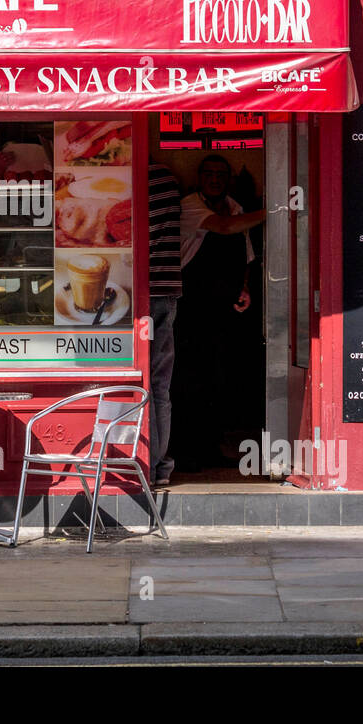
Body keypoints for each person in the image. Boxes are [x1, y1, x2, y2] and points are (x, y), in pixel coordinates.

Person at [174, 154, 266, 468]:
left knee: (220, 379)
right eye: (209, 173)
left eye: (220, 174)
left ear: (227, 179)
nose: (215, 179)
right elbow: (225, 228)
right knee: (189, 380)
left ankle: (211, 448)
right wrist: (273, 211)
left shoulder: (237, 207)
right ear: (200, 177)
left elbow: (246, 255)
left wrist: (244, 287)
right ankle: (187, 451)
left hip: (225, 310)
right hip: (191, 307)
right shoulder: (190, 205)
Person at [147, 158, 182, 489]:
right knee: (159, 385)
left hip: (141, 292)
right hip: (167, 290)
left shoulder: (138, 177)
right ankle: (159, 466)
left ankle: (151, 463)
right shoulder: (165, 177)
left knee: (146, 383)